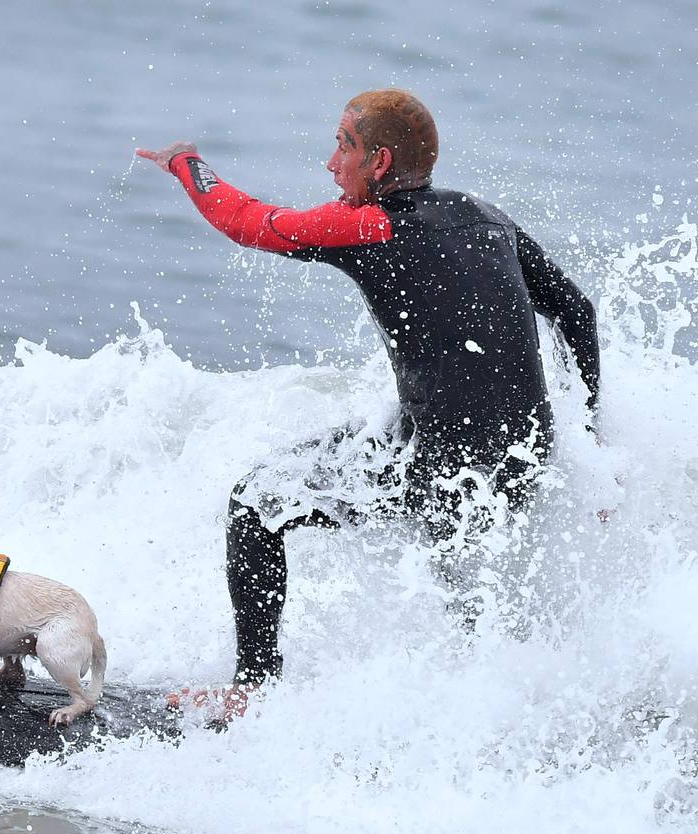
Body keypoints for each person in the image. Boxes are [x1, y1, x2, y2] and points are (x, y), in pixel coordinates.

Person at [137, 88, 600, 699]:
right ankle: (504, 694)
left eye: (343, 146)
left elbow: (250, 222)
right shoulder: (489, 218)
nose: (332, 163)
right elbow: (578, 313)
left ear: (379, 163)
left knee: (257, 506)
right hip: (528, 459)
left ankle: (252, 690)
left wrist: (185, 162)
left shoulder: (371, 226)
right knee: (460, 563)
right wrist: (591, 442)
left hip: (442, 466)